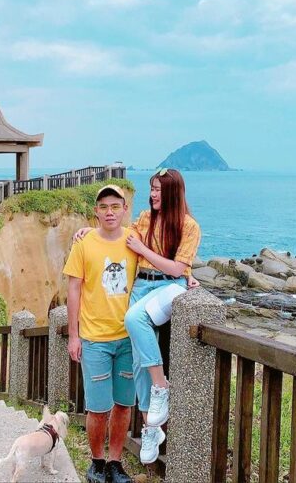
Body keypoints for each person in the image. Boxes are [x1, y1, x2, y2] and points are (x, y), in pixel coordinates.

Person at [74, 168, 201, 465]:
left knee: (133, 320)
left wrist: (185, 274)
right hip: (142, 284)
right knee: (137, 360)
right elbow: (118, 234)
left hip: (168, 287)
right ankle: (151, 427)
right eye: (152, 188)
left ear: (171, 191)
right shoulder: (146, 218)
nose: (153, 194)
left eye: (157, 189)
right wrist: (89, 231)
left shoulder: (190, 226)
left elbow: (175, 269)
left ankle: (161, 387)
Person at [63, 184, 137, 483]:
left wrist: (189, 276)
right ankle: (96, 461)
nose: (109, 212)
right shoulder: (84, 243)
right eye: (104, 206)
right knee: (98, 407)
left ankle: (115, 463)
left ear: (124, 209)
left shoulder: (135, 239)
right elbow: (73, 289)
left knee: (123, 404)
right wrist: (73, 335)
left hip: (128, 338)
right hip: (94, 339)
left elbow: (166, 252)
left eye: (115, 206)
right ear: (96, 211)